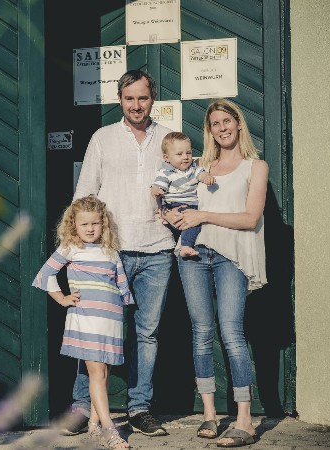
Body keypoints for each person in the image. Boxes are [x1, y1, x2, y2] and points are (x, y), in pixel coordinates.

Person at [67, 69, 175, 437]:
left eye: (142, 98)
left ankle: (139, 407)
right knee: (94, 330)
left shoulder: (167, 140)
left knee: (147, 333)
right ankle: (82, 407)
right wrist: (78, 249)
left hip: (158, 250)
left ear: (152, 98)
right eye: (129, 98)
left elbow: (184, 188)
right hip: (109, 254)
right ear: (120, 100)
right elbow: (84, 196)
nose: (136, 105)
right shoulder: (103, 138)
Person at [164, 98, 268, 447]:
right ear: (208, 130)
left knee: (232, 333)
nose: (222, 128)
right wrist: (172, 216)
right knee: (201, 333)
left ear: (239, 124)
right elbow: (175, 201)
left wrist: (203, 216)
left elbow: (250, 219)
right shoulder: (198, 165)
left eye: (227, 121)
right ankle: (209, 415)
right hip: (193, 255)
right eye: (215, 124)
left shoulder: (256, 166)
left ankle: (244, 420)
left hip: (231, 259)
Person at [32, 195, 133, 449]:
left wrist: (122, 306)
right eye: (84, 224)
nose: (90, 229)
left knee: (104, 371)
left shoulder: (111, 251)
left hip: (110, 319)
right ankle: (111, 431)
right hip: (86, 318)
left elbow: (122, 287)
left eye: (95, 224)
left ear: (103, 224)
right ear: (73, 225)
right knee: (96, 372)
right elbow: (45, 275)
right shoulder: (70, 248)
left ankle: (94, 424)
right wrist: (62, 298)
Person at [150, 131, 215, 257]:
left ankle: (183, 244)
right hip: (174, 205)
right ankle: (186, 246)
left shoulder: (193, 169)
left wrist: (207, 177)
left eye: (188, 153)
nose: (185, 157)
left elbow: (201, 174)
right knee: (191, 223)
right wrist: (156, 191)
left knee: (194, 221)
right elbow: (157, 185)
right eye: (179, 154)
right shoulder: (165, 172)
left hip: (191, 206)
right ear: (167, 158)